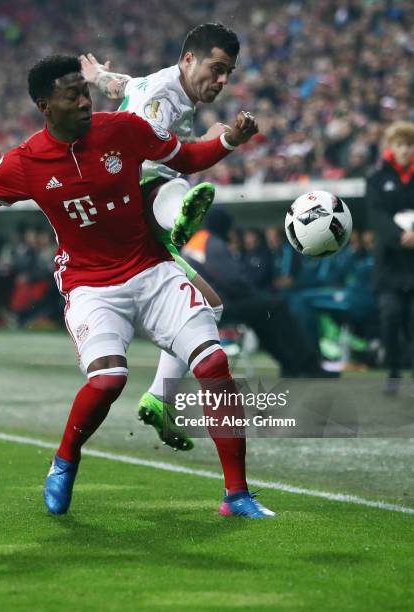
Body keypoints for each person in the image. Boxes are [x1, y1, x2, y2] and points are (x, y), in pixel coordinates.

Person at [0, 55, 273, 518]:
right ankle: (65, 458)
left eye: (85, 93)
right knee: (109, 379)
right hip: (90, 286)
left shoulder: (122, 129)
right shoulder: (24, 163)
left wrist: (230, 139)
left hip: (151, 269)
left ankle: (236, 495)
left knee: (214, 363)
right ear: (45, 105)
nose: (85, 103)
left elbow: (188, 156)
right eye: (72, 96)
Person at [81, 23, 245, 450]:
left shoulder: (156, 81)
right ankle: (178, 217)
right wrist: (220, 140)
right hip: (130, 199)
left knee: (210, 304)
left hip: (121, 202)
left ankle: (160, 397)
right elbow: (144, 149)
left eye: (229, 72)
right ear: (188, 59)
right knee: (164, 180)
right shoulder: (165, 97)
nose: (223, 80)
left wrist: (97, 76)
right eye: (217, 68)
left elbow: (121, 86)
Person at [182, 209, 338, 378]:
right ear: (223, 226)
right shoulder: (213, 243)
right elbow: (233, 282)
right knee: (276, 306)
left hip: (199, 306)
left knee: (262, 314)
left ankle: (291, 363)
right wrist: (255, 295)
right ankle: (306, 364)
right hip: (218, 306)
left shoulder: (196, 241)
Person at [366, 121, 414, 395]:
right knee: (391, 317)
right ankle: (394, 371)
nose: (406, 150)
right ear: (391, 147)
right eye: (401, 144)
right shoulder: (376, 178)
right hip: (390, 266)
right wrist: (400, 236)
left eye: (409, 144)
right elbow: (376, 215)